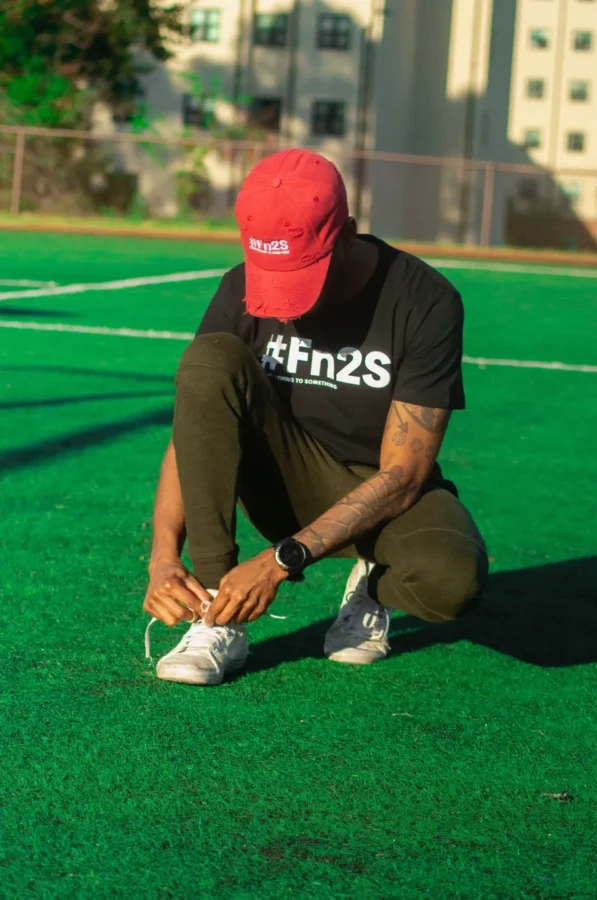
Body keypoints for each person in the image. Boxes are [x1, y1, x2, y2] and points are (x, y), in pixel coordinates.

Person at [143, 148, 488, 686]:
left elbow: (405, 475)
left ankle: (372, 583)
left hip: (382, 494)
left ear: (347, 234)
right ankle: (215, 608)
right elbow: (193, 427)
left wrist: (283, 559)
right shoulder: (237, 287)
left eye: (300, 272)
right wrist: (162, 556)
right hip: (282, 479)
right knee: (209, 359)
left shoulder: (425, 299)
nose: (282, 306)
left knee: (451, 580)